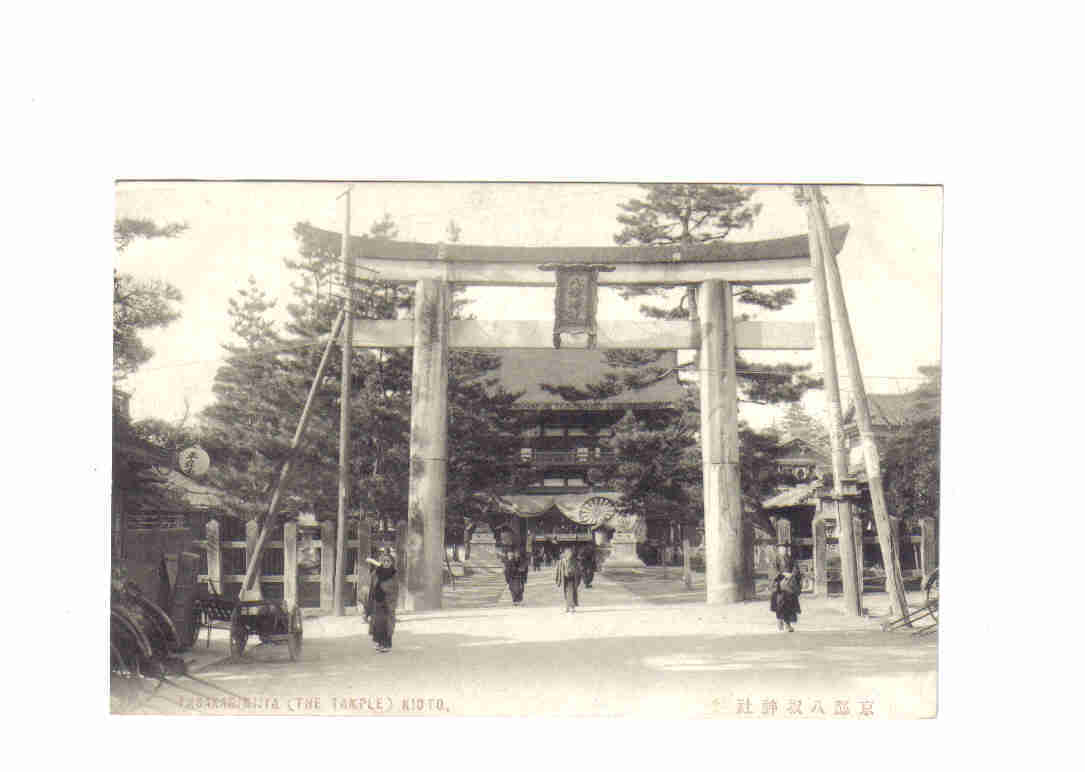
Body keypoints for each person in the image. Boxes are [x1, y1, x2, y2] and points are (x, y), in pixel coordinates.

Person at [364, 551, 399, 652]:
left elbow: (395, 589)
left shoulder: (394, 574)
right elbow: (372, 587)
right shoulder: (376, 573)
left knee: (386, 624)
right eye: (384, 561)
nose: (386, 563)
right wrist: (370, 604)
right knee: (377, 624)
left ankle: (387, 645)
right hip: (377, 601)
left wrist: (391, 601)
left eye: (388, 561)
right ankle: (380, 644)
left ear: (392, 562)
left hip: (388, 602)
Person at [769, 545, 802, 632]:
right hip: (779, 586)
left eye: (785, 549)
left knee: (789, 606)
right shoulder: (775, 559)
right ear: (778, 550)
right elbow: (773, 571)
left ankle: (788, 624)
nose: (783, 550)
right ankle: (780, 620)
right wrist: (782, 574)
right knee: (780, 605)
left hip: (790, 585)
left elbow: (796, 569)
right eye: (781, 549)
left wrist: (792, 574)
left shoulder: (791, 559)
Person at [555, 546, 581, 612]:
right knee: (566, 593)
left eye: (570, 552)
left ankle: (572, 606)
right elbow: (558, 571)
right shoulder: (561, 561)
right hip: (565, 579)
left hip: (572, 579)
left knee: (572, 593)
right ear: (565, 553)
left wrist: (578, 579)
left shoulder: (574, 561)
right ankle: (567, 606)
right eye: (567, 553)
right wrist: (558, 580)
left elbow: (578, 571)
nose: (569, 554)